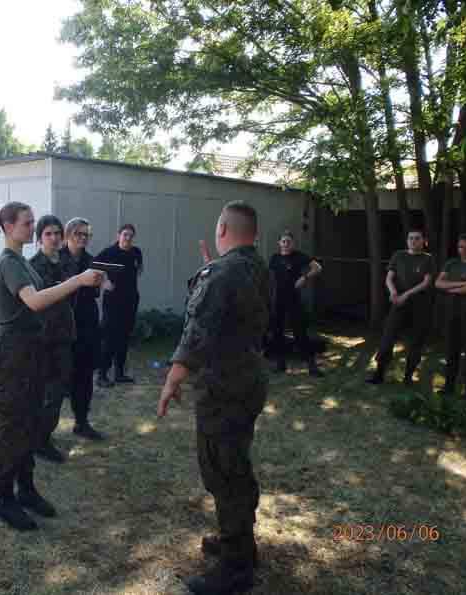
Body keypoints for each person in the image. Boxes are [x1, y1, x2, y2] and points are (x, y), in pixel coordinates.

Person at [158, 201, 270, 595]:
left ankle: (236, 568)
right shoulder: (258, 267)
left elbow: (198, 332)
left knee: (224, 472)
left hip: (224, 388)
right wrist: (214, 270)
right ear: (254, 234)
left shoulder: (221, 273)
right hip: (248, 380)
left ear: (222, 228)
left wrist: (172, 379)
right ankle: (239, 542)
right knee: (235, 463)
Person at [0, 202, 104, 531]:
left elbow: (47, 294)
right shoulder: (8, 263)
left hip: (32, 353)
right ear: (9, 227)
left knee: (31, 423)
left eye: (32, 222)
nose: (31, 227)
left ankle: (26, 489)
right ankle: (5, 499)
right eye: (27, 223)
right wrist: (78, 280)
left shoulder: (22, 261)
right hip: (13, 356)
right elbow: (35, 301)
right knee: (11, 427)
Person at [28, 215, 75, 463]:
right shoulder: (32, 266)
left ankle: (43, 435)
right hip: (43, 337)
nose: (54, 238)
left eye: (57, 233)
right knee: (46, 392)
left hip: (64, 334)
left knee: (58, 390)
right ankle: (39, 441)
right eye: (48, 234)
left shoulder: (67, 261)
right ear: (39, 238)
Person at [367, 229, 435, 386]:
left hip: (419, 305)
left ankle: (408, 377)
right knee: (387, 337)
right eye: (410, 238)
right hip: (398, 303)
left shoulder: (428, 259)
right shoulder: (398, 255)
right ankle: (379, 374)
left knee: (416, 340)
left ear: (424, 241)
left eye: (417, 238)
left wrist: (407, 295)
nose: (413, 241)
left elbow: (426, 282)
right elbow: (389, 278)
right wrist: (393, 292)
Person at [60, 217, 106, 440]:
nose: (83, 238)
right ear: (68, 235)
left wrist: (101, 282)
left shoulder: (92, 261)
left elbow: (95, 293)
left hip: (86, 325)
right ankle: (42, 432)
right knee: (56, 379)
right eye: (79, 233)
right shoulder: (56, 259)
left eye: (87, 235)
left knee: (85, 376)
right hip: (60, 326)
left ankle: (82, 422)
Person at [434, 233, 466, 400]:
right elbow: (438, 283)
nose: (463, 250)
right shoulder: (451, 263)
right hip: (451, 313)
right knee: (451, 350)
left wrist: (451, 289)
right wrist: (463, 284)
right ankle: (449, 387)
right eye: (460, 247)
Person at [268, 230, 323, 377]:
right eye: (283, 241)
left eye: (289, 241)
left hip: (294, 299)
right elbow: (269, 277)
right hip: (278, 299)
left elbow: (317, 268)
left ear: (293, 244)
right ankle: (280, 364)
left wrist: (304, 278)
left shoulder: (299, 256)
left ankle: (312, 366)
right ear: (279, 243)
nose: (286, 244)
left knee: (300, 332)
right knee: (277, 332)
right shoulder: (274, 258)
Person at [96, 223, 144, 387]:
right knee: (110, 338)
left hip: (130, 301)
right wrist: (104, 282)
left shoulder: (136, 252)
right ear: (118, 236)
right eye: (125, 234)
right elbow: (93, 266)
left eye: (131, 235)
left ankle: (119, 373)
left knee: (124, 337)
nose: (128, 238)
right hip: (113, 302)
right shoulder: (109, 252)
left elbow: (138, 269)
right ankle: (102, 375)